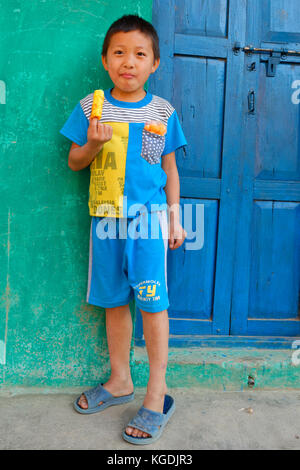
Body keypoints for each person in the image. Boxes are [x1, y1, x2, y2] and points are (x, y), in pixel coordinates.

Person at [60, 14, 187, 445]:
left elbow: (169, 169)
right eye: (119, 53)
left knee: (152, 302)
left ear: (154, 64)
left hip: (149, 224)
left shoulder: (162, 111)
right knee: (115, 300)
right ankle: (120, 380)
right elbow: (75, 161)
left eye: (139, 54)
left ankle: (157, 392)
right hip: (106, 221)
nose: (128, 62)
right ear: (105, 60)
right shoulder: (91, 107)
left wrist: (175, 217)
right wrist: (92, 143)